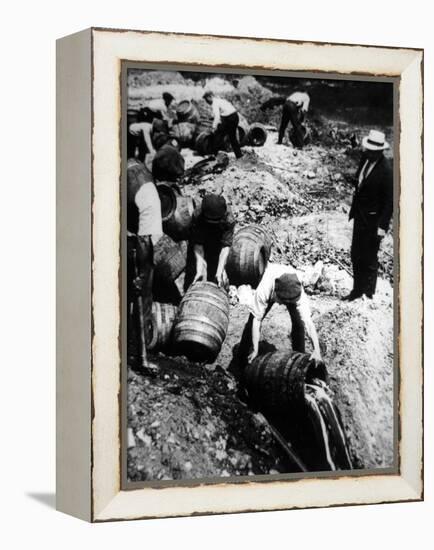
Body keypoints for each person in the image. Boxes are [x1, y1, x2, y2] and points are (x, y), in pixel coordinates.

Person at [237, 263, 322, 365]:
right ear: (276, 295)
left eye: (290, 301)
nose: (285, 304)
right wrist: (255, 349)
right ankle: (241, 357)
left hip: (289, 286)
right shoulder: (265, 288)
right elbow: (257, 319)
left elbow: (309, 324)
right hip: (271, 283)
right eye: (284, 301)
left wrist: (317, 350)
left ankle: (299, 360)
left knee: (299, 325)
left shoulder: (299, 294)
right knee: (251, 322)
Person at [344, 129, 393, 301]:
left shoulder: (386, 171)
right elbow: (360, 181)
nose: (368, 152)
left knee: (370, 258)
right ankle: (357, 291)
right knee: (356, 254)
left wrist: (382, 227)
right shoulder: (365, 158)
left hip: (373, 221)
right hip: (359, 216)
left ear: (379, 151)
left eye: (372, 151)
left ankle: (368, 294)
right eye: (368, 149)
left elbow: (389, 202)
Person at [127, 158, 163, 372]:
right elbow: (144, 240)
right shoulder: (150, 195)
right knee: (143, 292)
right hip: (130, 238)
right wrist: (141, 275)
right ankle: (140, 357)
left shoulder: (130, 164)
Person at [184, 194, 235, 290]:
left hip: (218, 239)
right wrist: (199, 267)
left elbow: (225, 247)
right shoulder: (197, 215)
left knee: (215, 274)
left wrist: (219, 271)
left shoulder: (229, 220)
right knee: (194, 272)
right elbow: (198, 243)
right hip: (203, 235)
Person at [203, 91, 243, 159]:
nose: (207, 102)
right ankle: (239, 155)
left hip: (230, 118)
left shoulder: (214, 103)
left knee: (218, 135)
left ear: (210, 97)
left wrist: (213, 127)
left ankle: (213, 154)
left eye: (207, 100)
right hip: (235, 116)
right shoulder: (220, 100)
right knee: (232, 137)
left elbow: (217, 117)